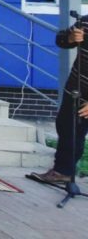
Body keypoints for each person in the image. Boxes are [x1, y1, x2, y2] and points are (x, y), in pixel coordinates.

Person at [30, 22, 88, 185]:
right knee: (67, 128)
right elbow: (60, 39)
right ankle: (62, 172)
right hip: (75, 89)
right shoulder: (84, 22)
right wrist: (70, 38)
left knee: (74, 131)